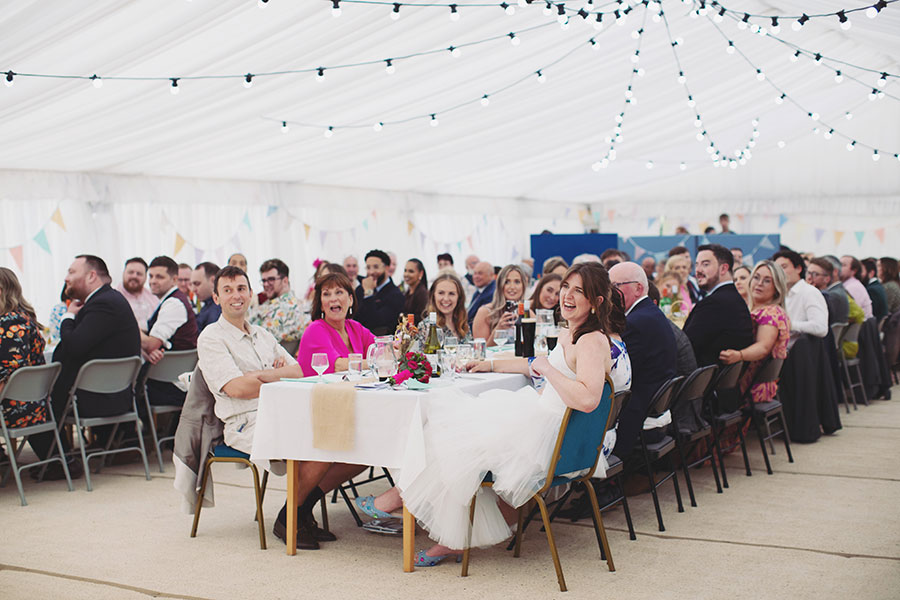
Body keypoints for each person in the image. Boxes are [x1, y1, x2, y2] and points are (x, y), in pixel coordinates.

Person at [355, 262, 616, 565]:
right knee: (450, 429)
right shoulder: (571, 332)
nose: (567, 296)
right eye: (566, 287)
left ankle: (428, 523)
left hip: (554, 440)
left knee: (453, 440)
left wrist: (547, 371)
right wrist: (490, 365)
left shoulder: (591, 341)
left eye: (578, 291)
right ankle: (438, 528)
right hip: (544, 421)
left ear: (596, 302)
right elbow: (536, 363)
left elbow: (588, 400)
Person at [197, 266, 365, 550]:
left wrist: (260, 375)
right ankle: (290, 518)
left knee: (353, 440)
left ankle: (296, 510)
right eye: (227, 290)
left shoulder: (262, 334)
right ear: (216, 298)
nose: (235, 296)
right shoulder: (211, 338)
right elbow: (236, 389)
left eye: (241, 289)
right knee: (323, 442)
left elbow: (300, 370)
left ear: (251, 294)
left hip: (284, 410)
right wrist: (274, 374)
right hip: (245, 421)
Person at [29, 255, 141, 478]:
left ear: (91, 276)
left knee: (34, 400)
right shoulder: (106, 300)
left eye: (71, 272)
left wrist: (67, 317)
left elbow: (76, 346)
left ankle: (62, 462)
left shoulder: (103, 303)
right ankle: (60, 459)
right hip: (109, 395)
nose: (66, 278)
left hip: (100, 398)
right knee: (40, 395)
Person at [607, 262, 676, 458]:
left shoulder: (636, 322)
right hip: (655, 407)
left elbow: (620, 375)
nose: (610, 293)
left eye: (615, 286)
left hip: (639, 414)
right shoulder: (649, 314)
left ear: (638, 288)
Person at [718, 261, 790, 403]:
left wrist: (739, 355)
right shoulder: (754, 309)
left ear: (776, 287)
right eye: (756, 277)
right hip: (750, 384)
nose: (759, 283)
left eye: (767, 281)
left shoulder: (771, 312)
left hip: (750, 389)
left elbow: (763, 348)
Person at [141, 256, 200, 407]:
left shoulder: (174, 304)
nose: (153, 281)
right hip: (169, 379)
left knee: (126, 388)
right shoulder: (170, 301)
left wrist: (130, 325)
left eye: (159, 277)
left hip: (174, 385)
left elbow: (150, 345)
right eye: (151, 276)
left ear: (174, 280)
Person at [683, 244, 754, 367]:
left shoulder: (715, 303)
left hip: (706, 382)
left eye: (705, 264)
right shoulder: (733, 298)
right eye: (697, 264)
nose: (698, 271)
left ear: (723, 269)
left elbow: (685, 347)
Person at [297, 272, 376, 376]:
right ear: (321, 305)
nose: (333, 299)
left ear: (350, 300)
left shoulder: (355, 327)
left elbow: (382, 349)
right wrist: (377, 363)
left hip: (350, 389)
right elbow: (337, 366)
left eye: (339, 292)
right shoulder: (315, 330)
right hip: (319, 391)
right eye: (326, 294)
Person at [0, 268, 47, 432]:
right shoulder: (23, 318)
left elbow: (7, 375)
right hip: (35, 404)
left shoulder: (9, 326)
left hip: (16, 409)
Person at [250, 258, 306, 347]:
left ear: (285, 281)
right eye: (264, 280)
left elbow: (261, 342)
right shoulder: (271, 303)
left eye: (271, 279)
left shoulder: (286, 308)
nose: (266, 284)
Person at [773, 250, 828, 340]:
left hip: (797, 350)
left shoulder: (809, 292)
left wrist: (787, 324)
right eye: (777, 269)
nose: (780, 272)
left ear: (798, 268)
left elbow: (820, 327)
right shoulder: (780, 293)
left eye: (784, 267)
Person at [472, 264, 528, 346]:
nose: (512, 287)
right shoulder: (485, 312)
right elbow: (481, 352)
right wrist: (499, 329)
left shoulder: (527, 313)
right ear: (500, 285)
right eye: (507, 282)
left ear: (523, 286)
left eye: (517, 282)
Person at [354, 249, 404, 336]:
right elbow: (355, 317)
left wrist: (368, 294)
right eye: (368, 267)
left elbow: (376, 322)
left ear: (387, 268)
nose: (371, 272)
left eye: (376, 267)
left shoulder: (395, 294)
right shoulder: (360, 289)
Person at [414, 272, 471, 346]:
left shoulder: (463, 324)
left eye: (451, 293)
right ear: (433, 296)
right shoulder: (426, 326)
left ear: (459, 297)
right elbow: (422, 356)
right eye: (441, 293)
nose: (446, 299)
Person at [115, 257, 158, 332]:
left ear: (145, 277)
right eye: (131, 272)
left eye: (139, 274)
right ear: (123, 273)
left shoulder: (153, 298)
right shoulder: (112, 296)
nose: (134, 276)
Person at [807, 257, 849, 325]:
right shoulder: (838, 291)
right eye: (808, 273)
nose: (809, 277)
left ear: (827, 279)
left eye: (815, 274)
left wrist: (808, 290)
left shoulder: (830, 296)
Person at [840, 255, 873, 320]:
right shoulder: (849, 284)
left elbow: (849, 314)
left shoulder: (853, 287)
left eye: (843, 265)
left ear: (854, 271)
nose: (838, 267)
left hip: (860, 328)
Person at [191, 262, 221, 332]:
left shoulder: (216, 310)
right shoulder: (209, 306)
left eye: (197, 284)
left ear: (213, 281)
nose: (193, 289)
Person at [466, 261, 496, 327]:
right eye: (475, 273)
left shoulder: (493, 293)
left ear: (491, 275)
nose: (476, 276)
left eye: (480, 273)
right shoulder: (480, 290)